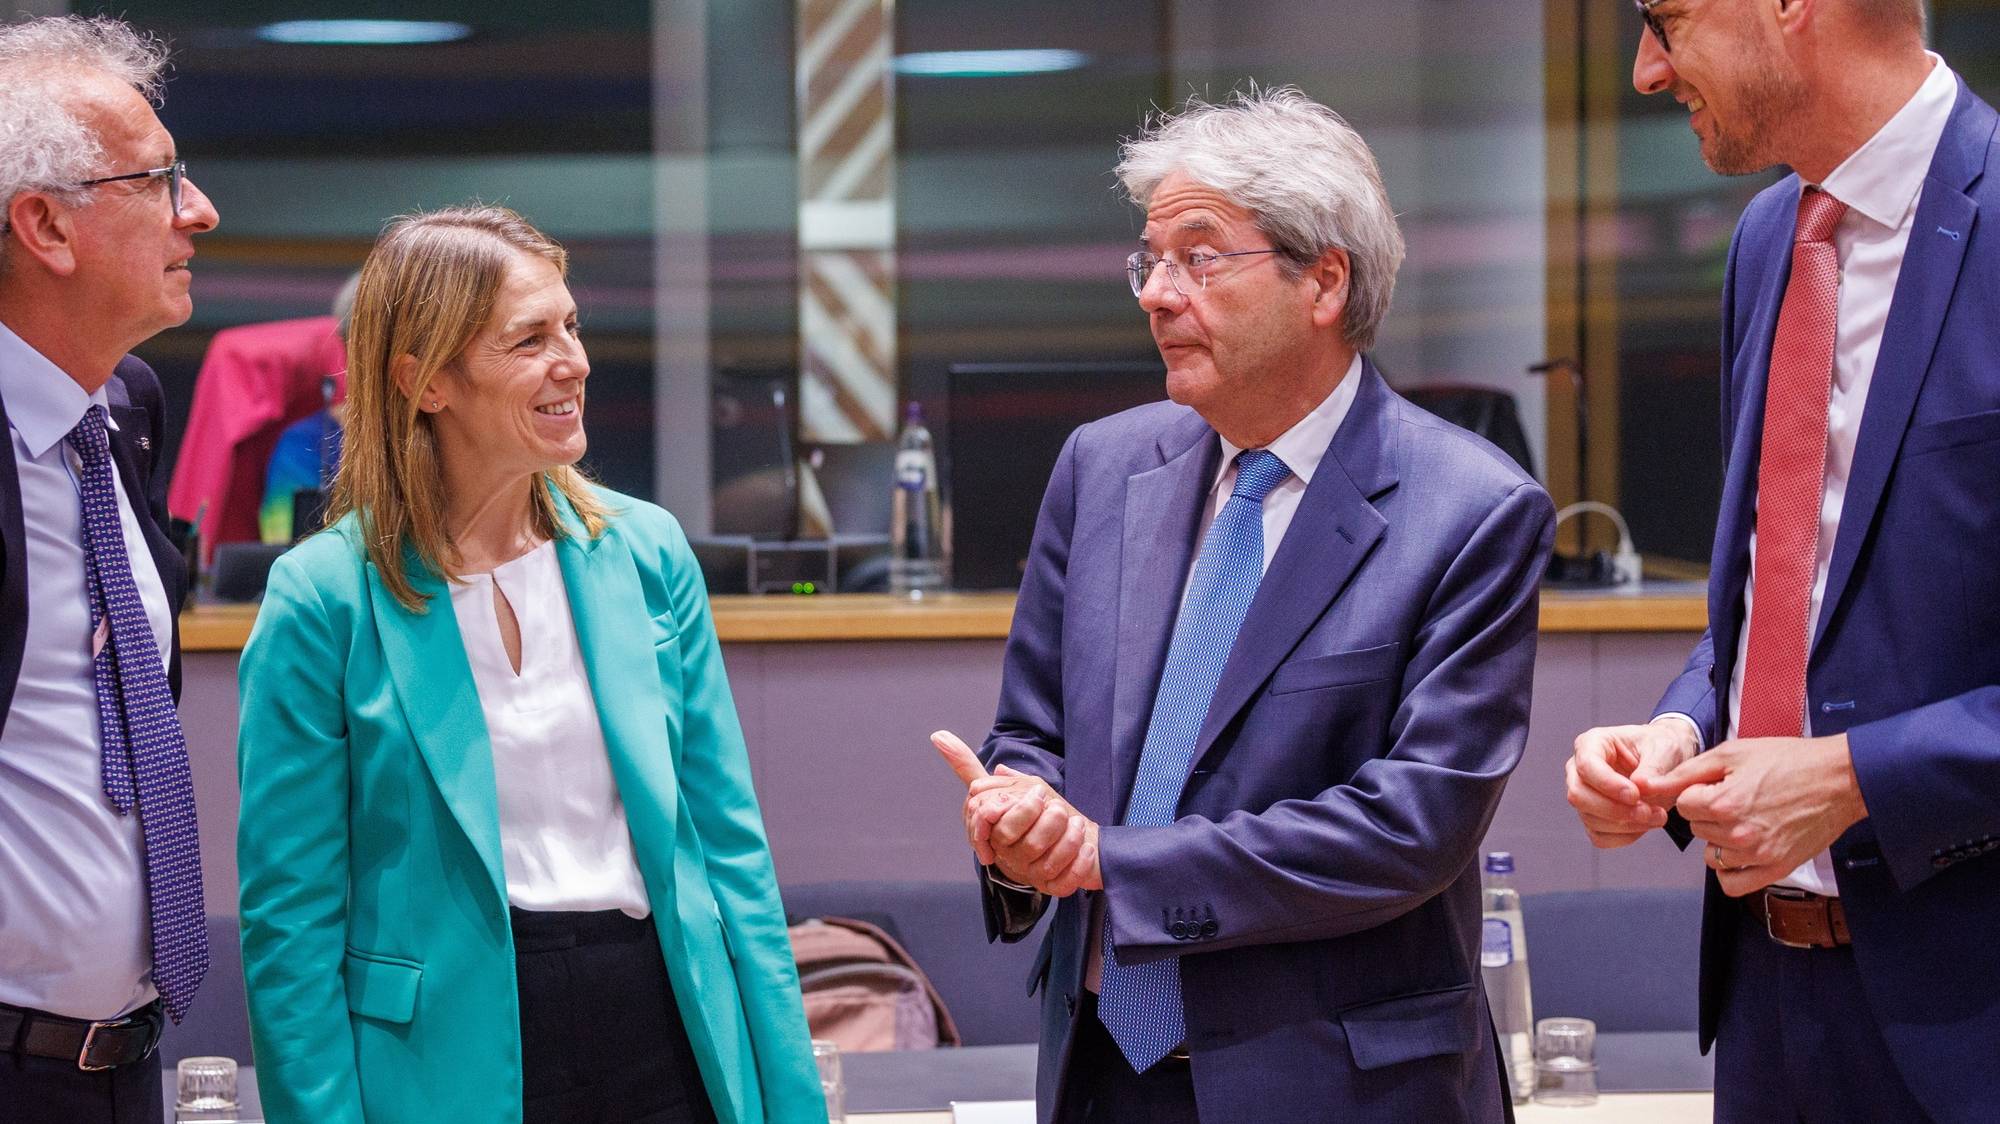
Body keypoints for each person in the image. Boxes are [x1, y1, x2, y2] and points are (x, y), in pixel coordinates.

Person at [933, 88, 1555, 1124]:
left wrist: (1111, 861)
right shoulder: (1101, 466)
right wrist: (1024, 814)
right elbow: (1034, 728)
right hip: (1099, 1075)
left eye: (1199, 256)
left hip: (1335, 1084)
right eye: (1149, 259)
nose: (1156, 293)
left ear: (1322, 280)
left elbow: (1409, 824)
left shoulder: (1470, 512)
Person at [236, 206, 825, 1124]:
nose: (575, 362)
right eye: (529, 339)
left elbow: (730, 848)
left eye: (573, 326)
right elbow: (290, 924)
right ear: (425, 380)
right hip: (446, 1053)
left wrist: (791, 1099)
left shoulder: (649, 552)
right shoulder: (323, 598)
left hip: (663, 1020)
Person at [1565, 3, 2000, 1120]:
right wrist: (1681, 724)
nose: (1646, 70)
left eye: (1663, 20)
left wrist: (1852, 774)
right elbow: (1780, 589)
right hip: (1764, 998)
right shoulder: (1766, 242)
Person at [0, 15, 221, 1122]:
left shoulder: (124, 409)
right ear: (44, 225)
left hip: (120, 1064)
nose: (202, 211)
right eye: (160, 180)